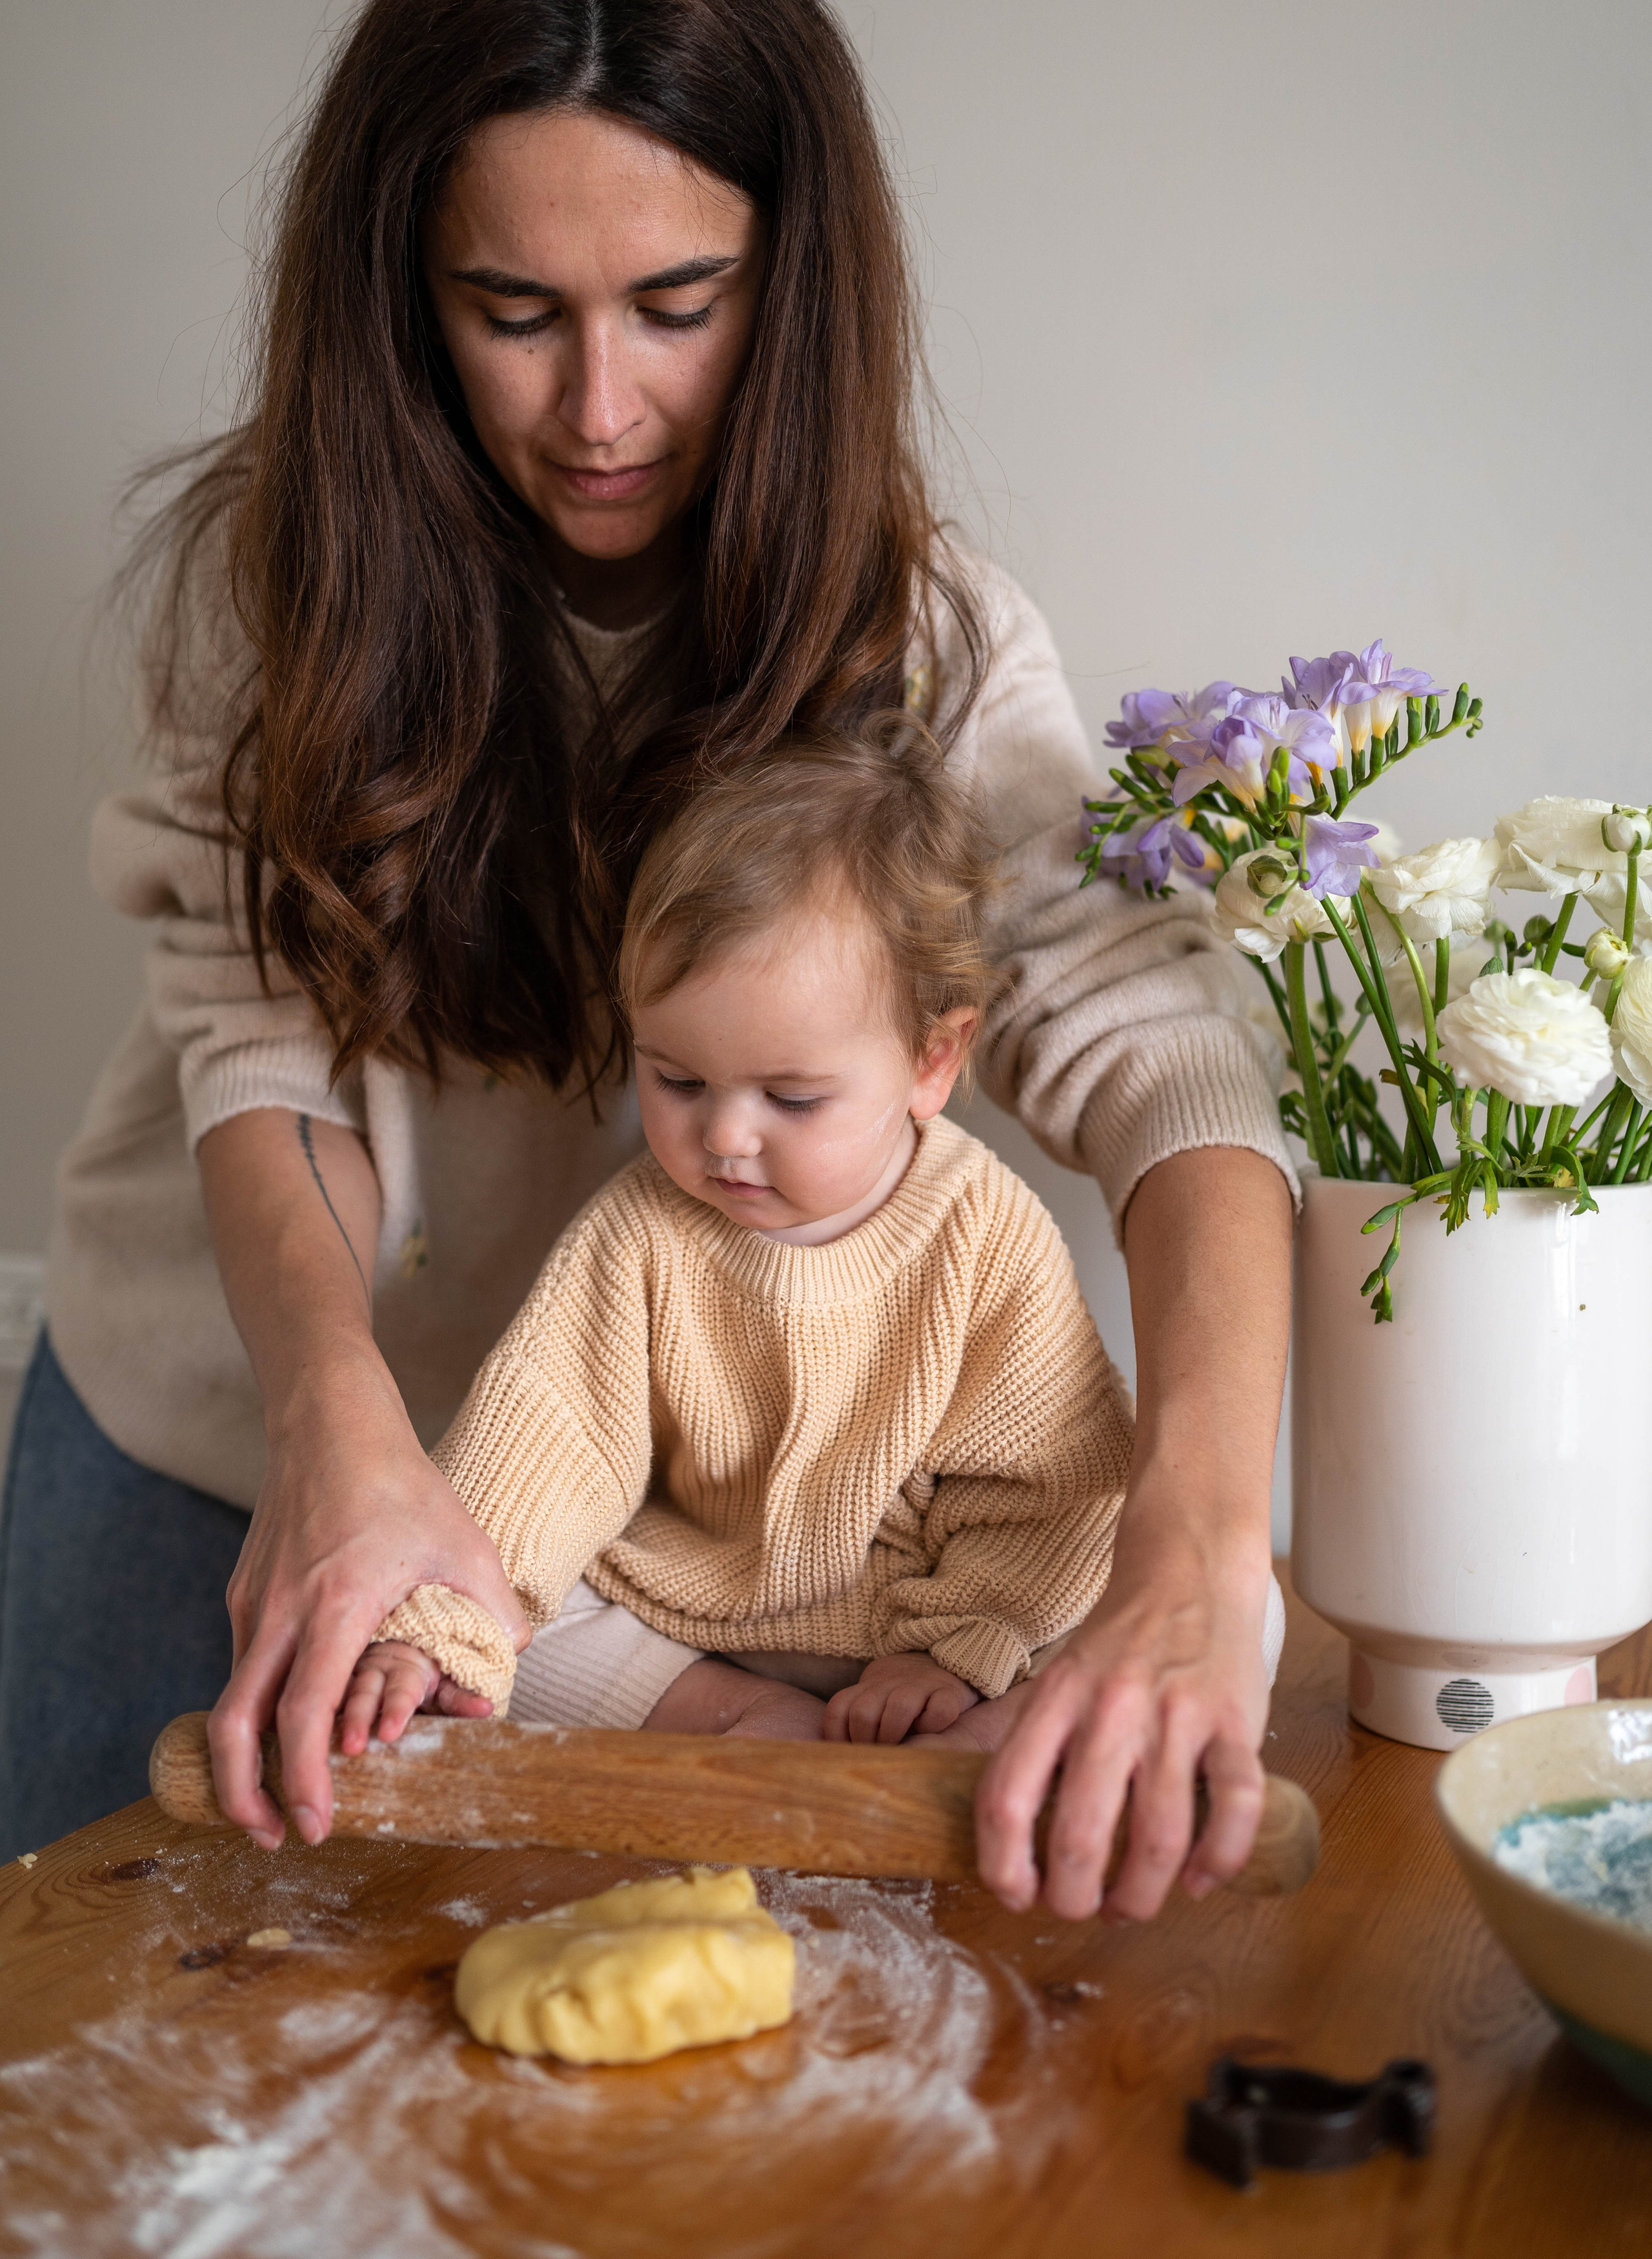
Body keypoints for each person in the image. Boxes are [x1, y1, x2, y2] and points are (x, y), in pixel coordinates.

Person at [1, 0, 1295, 1921]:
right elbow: (263, 1044)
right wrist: (337, 1429)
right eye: (510, 314)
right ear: (401, 294)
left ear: (794, 283)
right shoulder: (273, 585)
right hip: (215, 1443)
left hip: (629, 1575)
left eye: (679, 309)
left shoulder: (923, 640)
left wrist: (1204, 1548)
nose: (598, 411)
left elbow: (1175, 1067)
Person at [345, 733, 1262, 1754]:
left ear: (932, 1059)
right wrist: (440, 1634)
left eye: (791, 1097)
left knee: (1237, 1613)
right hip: (703, 1619)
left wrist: (955, 1649)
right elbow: (544, 1443)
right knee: (520, 1628)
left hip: (932, 1611)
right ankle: (745, 1722)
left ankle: (967, 1733)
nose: (726, 1137)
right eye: (677, 1081)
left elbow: (1049, 1483)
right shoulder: (639, 1229)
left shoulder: (980, 1231)